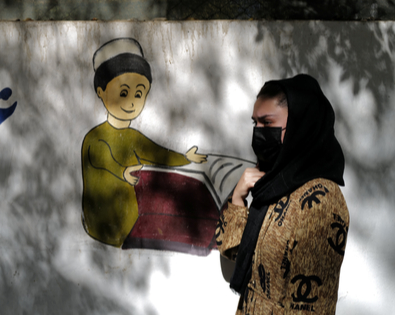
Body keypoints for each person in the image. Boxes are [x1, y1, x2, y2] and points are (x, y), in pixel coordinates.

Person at [216, 74, 349, 314]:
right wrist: (238, 199)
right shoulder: (273, 185)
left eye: (267, 123)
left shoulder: (321, 200)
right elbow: (237, 251)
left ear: (300, 125)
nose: (258, 132)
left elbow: (310, 307)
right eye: (255, 123)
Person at [81, 38, 207, 247]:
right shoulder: (95, 137)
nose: (131, 101)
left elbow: (158, 153)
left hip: (132, 221)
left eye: (139, 93)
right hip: (104, 227)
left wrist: (185, 158)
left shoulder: (133, 137)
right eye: (123, 93)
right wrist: (122, 171)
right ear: (101, 92)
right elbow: (102, 157)